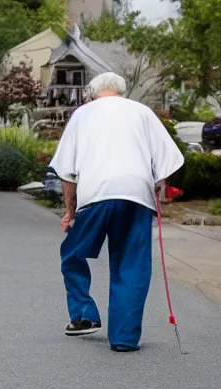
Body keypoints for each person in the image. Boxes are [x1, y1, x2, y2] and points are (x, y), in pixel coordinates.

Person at [49, 72, 185, 352]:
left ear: (93, 92)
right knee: (131, 265)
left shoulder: (82, 114)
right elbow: (169, 160)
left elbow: (67, 171)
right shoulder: (142, 112)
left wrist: (70, 212)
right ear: (122, 91)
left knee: (72, 254)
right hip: (136, 196)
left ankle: (84, 315)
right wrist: (161, 187)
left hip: (95, 195)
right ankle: (124, 338)